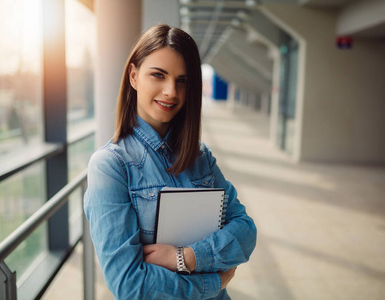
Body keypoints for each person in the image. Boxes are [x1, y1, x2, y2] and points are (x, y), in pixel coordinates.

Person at [84, 24, 257, 299]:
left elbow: (246, 230)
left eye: (182, 80)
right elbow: (129, 286)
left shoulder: (202, 158)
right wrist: (213, 283)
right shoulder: (110, 166)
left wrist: (186, 257)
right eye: (158, 75)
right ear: (133, 76)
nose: (171, 92)